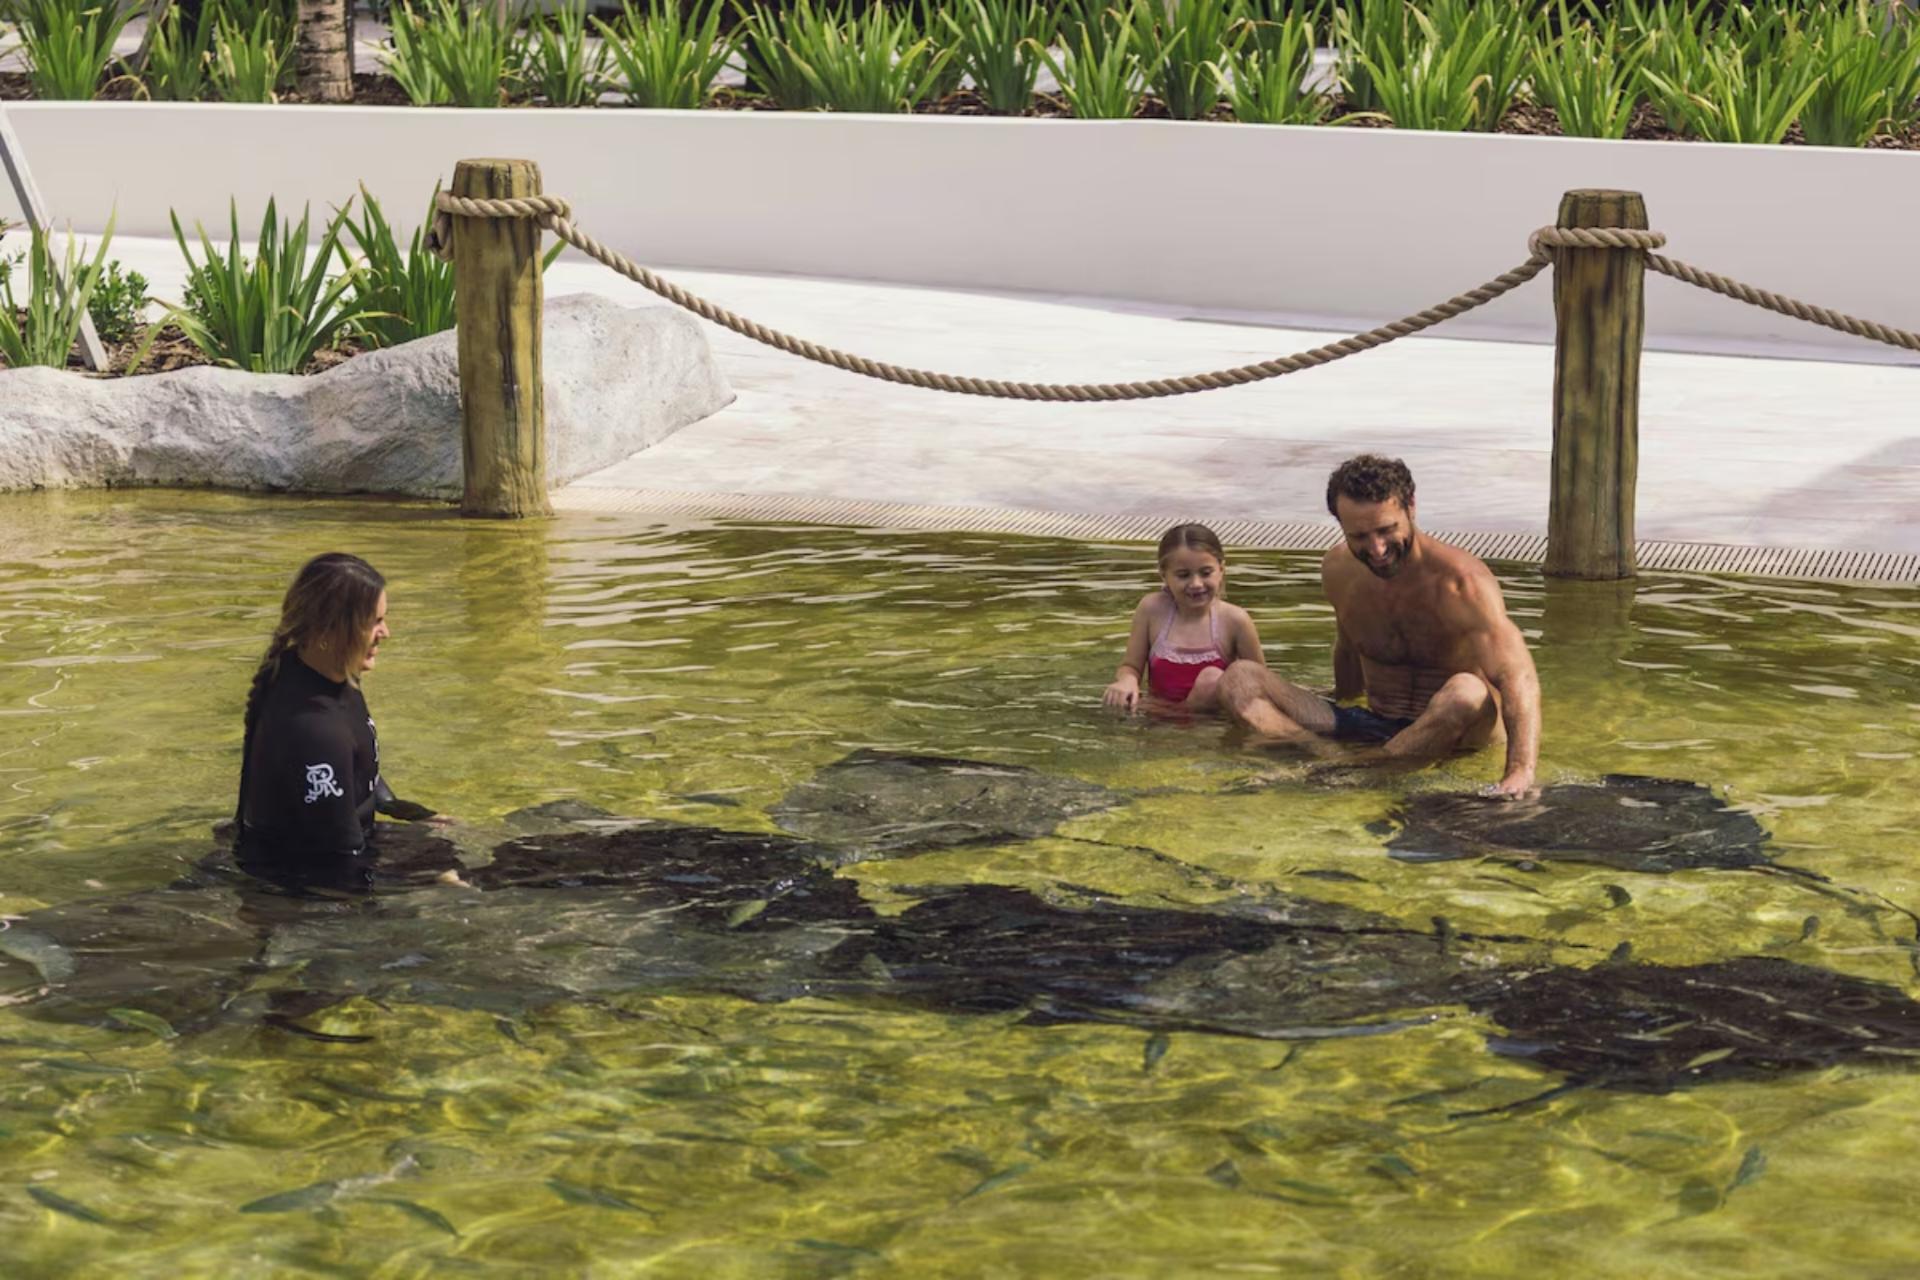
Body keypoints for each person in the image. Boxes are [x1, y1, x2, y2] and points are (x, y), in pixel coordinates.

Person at [1218, 456, 1541, 798]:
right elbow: (1348, 645)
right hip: (1374, 722)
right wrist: (1336, 701)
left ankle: (1343, 771)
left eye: (1386, 530)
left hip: (1457, 730)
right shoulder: (1339, 570)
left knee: (1467, 692)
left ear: (1411, 507)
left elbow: (1518, 676)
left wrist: (1520, 771)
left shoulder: (1462, 583)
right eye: (1359, 536)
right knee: (1239, 678)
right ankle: (1329, 759)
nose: (1377, 549)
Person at [234, 553, 430, 890]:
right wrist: (436, 884)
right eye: (375, 622)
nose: (386, 632)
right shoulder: (312, 727)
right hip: (304, 881)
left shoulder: (326, 677)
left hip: (339, 851)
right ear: (330, 630)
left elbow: (358, 772)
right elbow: (341, 852)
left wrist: (413, 814)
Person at [1104, 523, 1265, 714]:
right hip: (1159, 715)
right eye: (1183, 575)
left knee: (1211, 679)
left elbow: (1260, 684)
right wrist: (1127, 680)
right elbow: (1131, 666)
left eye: (1206, 573)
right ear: (1164, 575)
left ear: (1221, 570)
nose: (1196, 584)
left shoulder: (1235, 620)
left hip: (1210, 725)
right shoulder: (1151, 610)